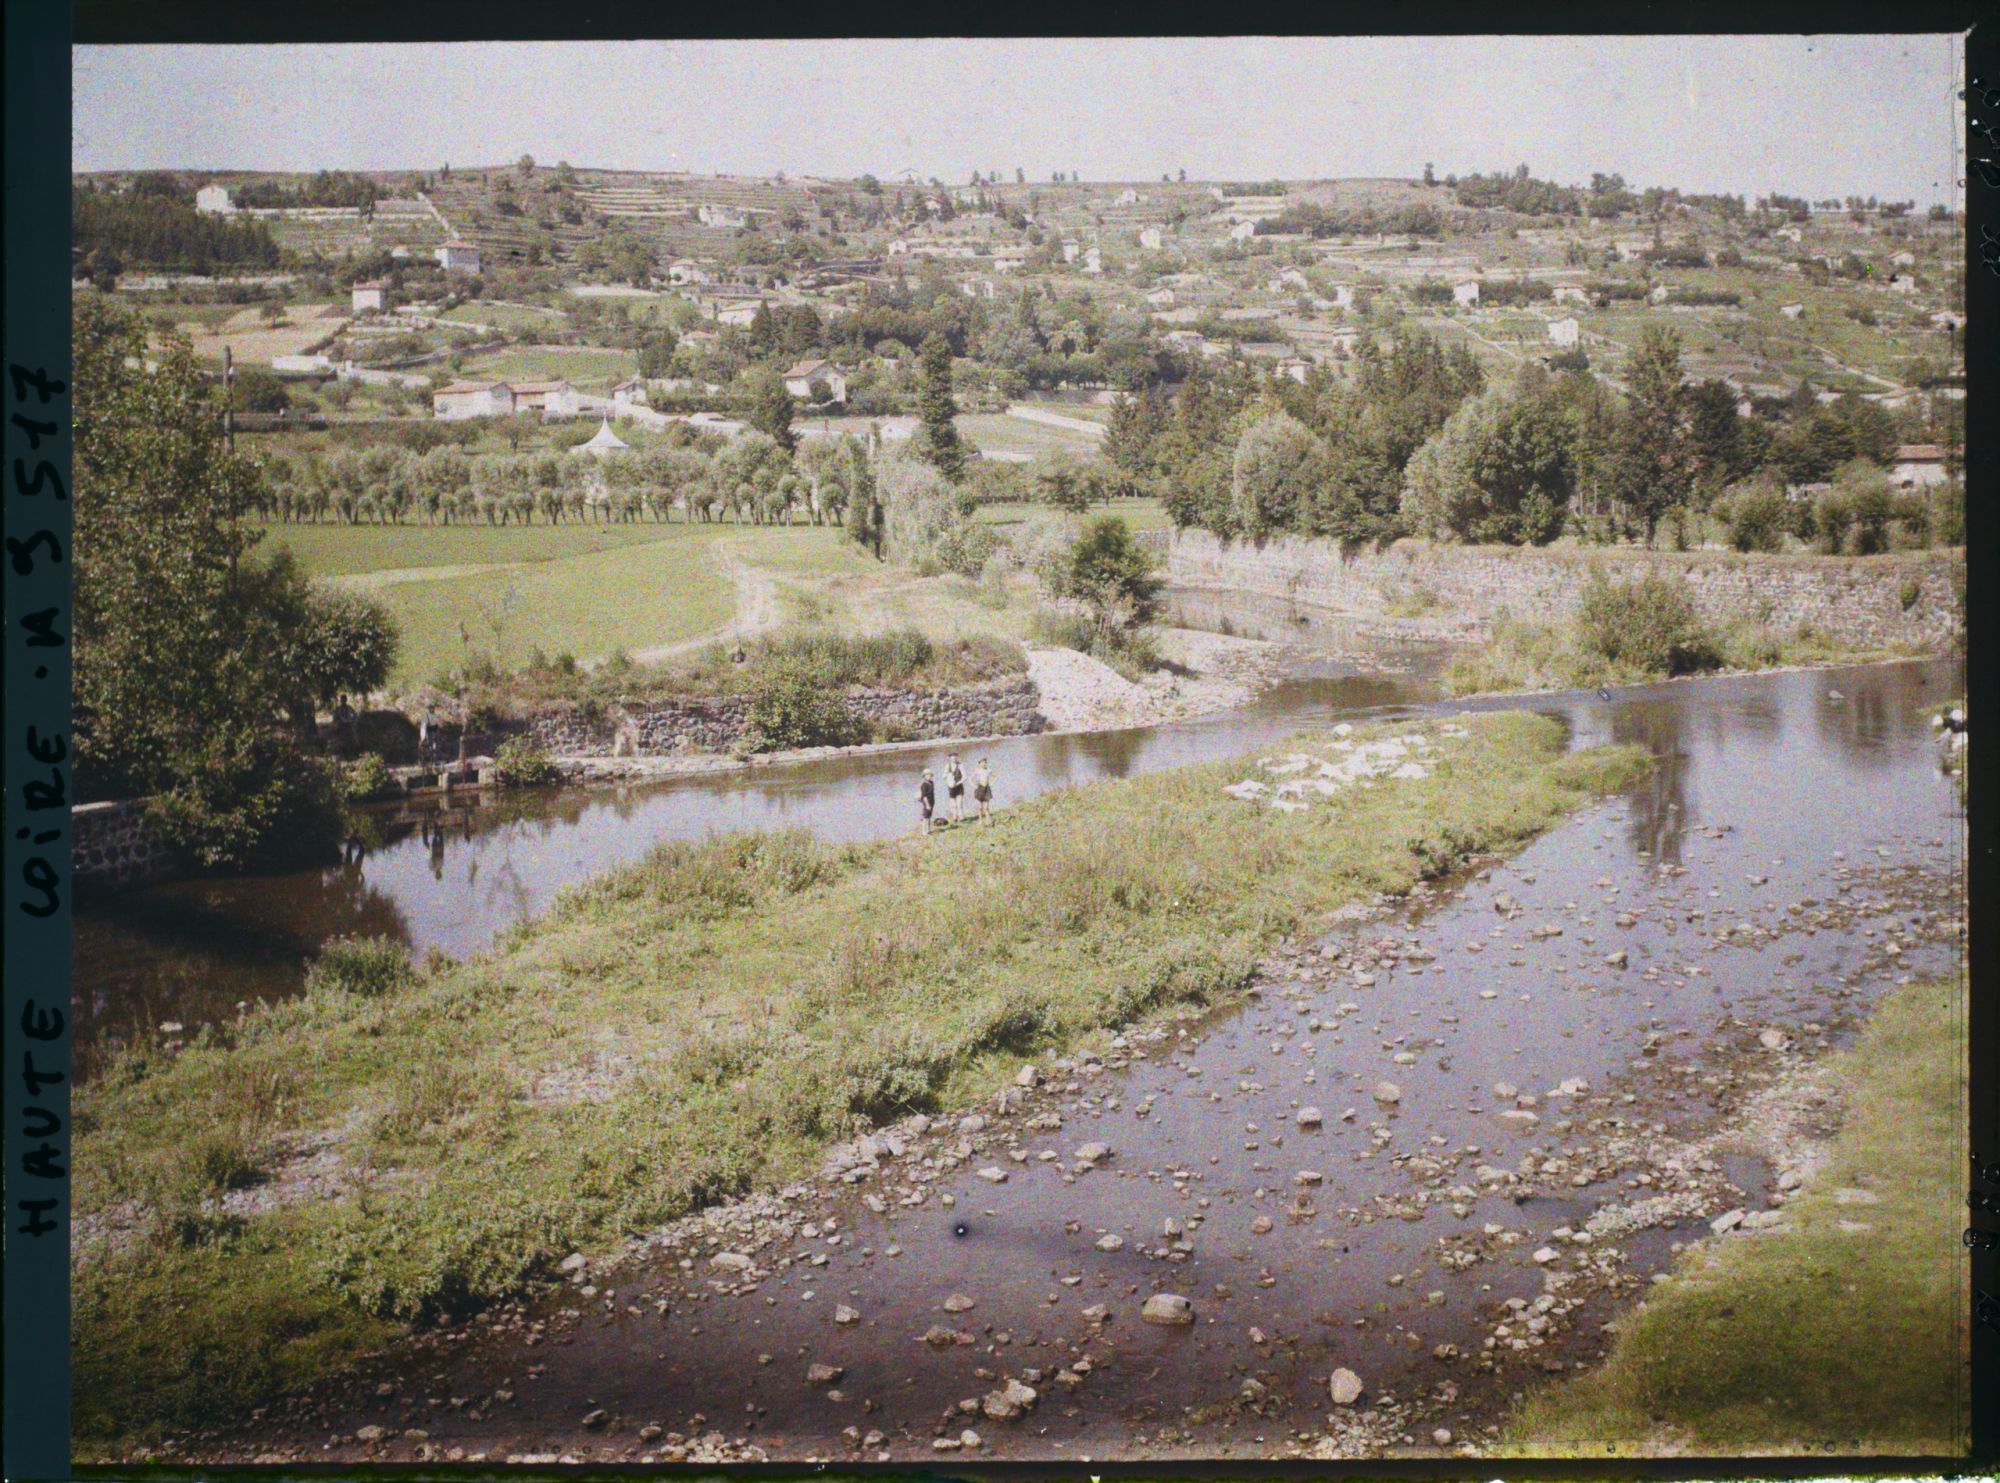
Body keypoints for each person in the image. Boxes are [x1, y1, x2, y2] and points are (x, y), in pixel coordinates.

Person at [945, 753, 966, 824]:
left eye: (955, 758)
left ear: (957, 758)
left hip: (959, 786)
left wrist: (957, 783)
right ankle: (955, 818)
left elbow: (965, 777)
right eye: (952, 758)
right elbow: (944, 776)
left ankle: (962, 818)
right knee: (953, 804)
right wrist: (949, 780)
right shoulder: (948, 766)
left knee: (959, 804)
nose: (954, 759)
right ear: (950, 759)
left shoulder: (960, 765)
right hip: (951, 787)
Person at [973, 757, 995, 823]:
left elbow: (995, 776)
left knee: (986, 807)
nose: (983, 764)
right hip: (979, 788)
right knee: (979, 807)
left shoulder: (988, 770)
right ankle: (980, 820)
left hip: (987, 788)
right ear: (979, 763)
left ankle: (988, 819)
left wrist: (991, 783)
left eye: (984, 762)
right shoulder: (977, 770)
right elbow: (970, 778)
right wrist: (974, 786)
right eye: (982, 762)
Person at [917, 769, 937, 835]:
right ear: (924, 776)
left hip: (931, 801)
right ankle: (924, 831)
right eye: (927, 775)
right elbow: (924, 796)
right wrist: (927, 804)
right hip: (926, 802)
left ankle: (928, 830)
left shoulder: (931, 783)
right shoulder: (924, 785)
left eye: (930, 775)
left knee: (929, 817)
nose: (929, 776)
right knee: (925, 817)